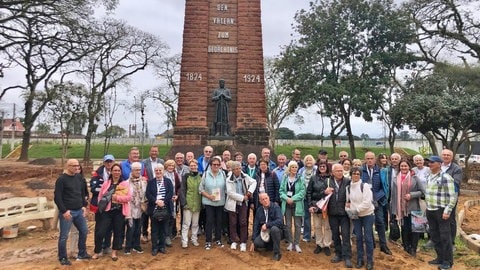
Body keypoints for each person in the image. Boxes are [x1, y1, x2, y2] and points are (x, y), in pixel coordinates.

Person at [54, 159, 90, 266]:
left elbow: (82, 192)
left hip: (79, 211)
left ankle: (82, 253)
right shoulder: (61, 179)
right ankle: (63, 257)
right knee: (64, 236)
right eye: (73, 166)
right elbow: (57, 198)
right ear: (67, 166)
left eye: (77, 165)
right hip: (68, 213)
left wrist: (84, 206)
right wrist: (64, 211)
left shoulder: (79, 177)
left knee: (84, 231)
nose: (76, 167)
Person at [92, 163, 131, 261]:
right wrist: (101, 207)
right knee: (100, 232)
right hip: (106, 211)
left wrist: (117, 198)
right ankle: (97, 251)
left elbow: (129, 197)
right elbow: (100, 196)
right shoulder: (106, 183)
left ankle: (114, 252)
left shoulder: (125, 184)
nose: (116, 172)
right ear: (111, 172)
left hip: (119, 211)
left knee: (118, 232)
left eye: (118, 170)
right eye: (115, 170)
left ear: (121, 172)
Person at [425, 155, 458, 270]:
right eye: (429, 163)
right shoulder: (429, 176)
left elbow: (453, 196)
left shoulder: (446, 177)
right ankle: (440, 257)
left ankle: (447, 262)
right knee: (435, 236)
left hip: (441, 211)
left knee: (445, 236)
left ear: (439, 164)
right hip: (430, 210)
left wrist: (447, 210)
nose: (430, 164)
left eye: (432, 162)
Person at [390, 159, 424, 257]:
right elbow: (393, 195)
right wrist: (393, 209)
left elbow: (422, 192)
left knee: (415, 229)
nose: (403, 168)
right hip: (401, 209)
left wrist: (411, 195)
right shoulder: (395, 179)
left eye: (405, 166)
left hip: (414, 207)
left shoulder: (415, 178)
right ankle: (406, 246)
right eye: (402, 166)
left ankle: (413, 248)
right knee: (405, 228)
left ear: (409, 167)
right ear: (399, 167)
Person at [361, 151, 392, 255]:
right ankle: (372, 242)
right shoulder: (361, 171)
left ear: (375, 159)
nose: (370, 160)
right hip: (365, 202)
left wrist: (377, 198)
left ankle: (384, 245)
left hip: (377, 201)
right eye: (368, 158)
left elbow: (385, 187)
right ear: (365, 159)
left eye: (371, 158)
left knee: (380, 222)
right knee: (368, 223)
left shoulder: (381, 171)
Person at [324, 164, 352, 268]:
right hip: (332, 213)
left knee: (345, 235)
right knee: (335, 235)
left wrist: (350, 201)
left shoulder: (348, 181)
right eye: (338, 171)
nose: (340, 172)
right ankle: (338, 254)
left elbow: (352, 193)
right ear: (333, 172)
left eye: (341, 170)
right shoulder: (327, 182)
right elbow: (318, 194)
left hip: (344, 213)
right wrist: (324, 192)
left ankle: (347, 256)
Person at [346, 167, 374, 270]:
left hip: (367, 215)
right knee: (358, 237)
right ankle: (360, 259)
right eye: (354, 173)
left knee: (368, 238)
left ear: (360, 175)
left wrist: (356, 209)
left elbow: (367, 202)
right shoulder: (348, 188)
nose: (356, 175)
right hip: (356, 216)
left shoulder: (365, 186)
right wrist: (348, 210)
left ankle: (370, 260)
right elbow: (348, 202)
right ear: (351, 175)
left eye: (358, 174)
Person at [225, 161, 257, 252]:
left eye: (239, 168)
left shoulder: (245, 176)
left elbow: (254, 182)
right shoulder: (228, 179)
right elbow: (230, 193)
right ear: (232, 170)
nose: (238, 170)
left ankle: (243, 242)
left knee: (243, 222)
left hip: (243, 204)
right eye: (236, 169)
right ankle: (234, 241)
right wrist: (243, 197)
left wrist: (250, 192)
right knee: (233, 223)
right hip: (233, 203)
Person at [199, 156, 227, 250]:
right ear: (210, 165)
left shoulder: (223, 174)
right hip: (208, 202)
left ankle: (218, 239)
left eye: (218, 164)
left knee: (219, 221)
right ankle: (208, 241)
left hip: (220, 202)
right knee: (209, 221)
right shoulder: (206, 174)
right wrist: (209, 196)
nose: (216, 166)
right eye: (214, 164)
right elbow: (201, 189)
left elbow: (227, 188)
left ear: (220, 165)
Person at [146, 163, 174, 256]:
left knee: (163, 229)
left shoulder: (168, 181)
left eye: (160, 170)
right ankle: (154, 247)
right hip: (154, 208)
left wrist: (163, 202)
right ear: (154, 171)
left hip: (165, 208)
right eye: (156, 170)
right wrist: (156, 201)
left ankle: (162, 246)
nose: (158, 172)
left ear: (163, 171)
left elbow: (170, 193)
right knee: (154, 229)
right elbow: (148, 194)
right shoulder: (151, 182)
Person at [89, 154, 115, 253]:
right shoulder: (97, 174)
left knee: (109, 227)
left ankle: (107, 245)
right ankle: (98, 248)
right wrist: (108, 192)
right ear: (104, 162)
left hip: (112, 205)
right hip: (99, 205)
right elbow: (94, 189)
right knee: (99, 228)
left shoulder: (116, 173)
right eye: (107, 161)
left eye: (111, 161)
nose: (109, 163)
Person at [306, 160, 332, 256]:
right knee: (317, 226)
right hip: (316, 206)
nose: (322, 167)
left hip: (327, 207)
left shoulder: (331, 178)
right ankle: (319, 244)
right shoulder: (313, 178)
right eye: (320, 166)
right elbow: (309, 193)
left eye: (324, 166)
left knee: (327, 227)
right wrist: (310, 205)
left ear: (327, 167)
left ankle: (327, 245)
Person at [279, 161, 305, 253]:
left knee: (298, 225)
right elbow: (281, 191)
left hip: (297, 205)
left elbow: (302, 192)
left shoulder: (301, 178)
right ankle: (290, 242)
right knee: (288, 225)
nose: (294, 169)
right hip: (287, 205)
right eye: (292, 167)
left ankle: (297, 243)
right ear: (289, 168)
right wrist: (286, 198)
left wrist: (293, 199)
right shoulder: (285, 178)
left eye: (295, 167)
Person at [250, 193, 285, 261]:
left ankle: (276, 253)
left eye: (266, 198)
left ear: (269, 198)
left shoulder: (276, 207)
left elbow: (280, 221)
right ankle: (270, 245)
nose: (265, 201)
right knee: (257, 243)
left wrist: (267, 225)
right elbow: (256, 226)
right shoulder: (259, 210)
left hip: (277, 231)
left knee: (274, 229)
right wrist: (253, 241)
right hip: (265, 233)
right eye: (263, 199)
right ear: (260, 201)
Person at [441, 149, 463, 249]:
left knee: (450, 219)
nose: (446, 156)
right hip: (438, 197)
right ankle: (436, 240)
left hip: (450, 197)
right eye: (444, 155)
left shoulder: (456, 169)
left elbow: (456, 183)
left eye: (448, 155)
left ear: (452, 157)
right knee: (438, 218)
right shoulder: (438, 166)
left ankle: (451, 243)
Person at [124, 162, 147, 255]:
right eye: (136, 170)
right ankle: (128, 246)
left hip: (141, 209)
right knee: (130, 228)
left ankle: (136, 245)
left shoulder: (144, 182)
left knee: (138, 228)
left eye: (139, 170)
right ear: (131, 170)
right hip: (130, 209)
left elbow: (146, 195)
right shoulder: (126, 183)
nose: (138, 171)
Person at [179, 159, 203, 248]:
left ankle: (194, 239)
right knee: (186, 223)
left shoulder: (201, 175)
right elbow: (182, 190)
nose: (193, 167)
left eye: (195, 165)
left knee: (195, 223)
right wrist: (184, 203)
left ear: (197, 166)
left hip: (197, 203)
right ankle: (184, 241)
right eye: (191, 165)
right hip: (188, 203)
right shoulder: (186, 176)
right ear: (189, 166)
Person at [380, 153, 401, 238]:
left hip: (400, 195)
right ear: (390, 160)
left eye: (396, 158)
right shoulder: (386, 170)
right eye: (393, 159)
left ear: (399, 160)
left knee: (399, 215)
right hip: (389, 195)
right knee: (391, 215)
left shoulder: (403, 169)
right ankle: (392, 235)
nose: (394, 160)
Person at [163, 159, 182, 246]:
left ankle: (170, 234)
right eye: (169, 166)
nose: (171, 167)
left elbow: (179, 186)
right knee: (165, 217)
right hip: (165, 200)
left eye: (172, 166)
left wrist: (177, 195)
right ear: (166, 167)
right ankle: (165, 235)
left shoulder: (175, 175)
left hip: (174, 199)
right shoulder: (163, 175)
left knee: (172, 217)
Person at [298, 154, 316, 242]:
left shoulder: (317, 170)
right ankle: (306, 236)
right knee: (306, 217)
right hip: (305, 197)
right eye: (307, 160)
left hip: (315, 197)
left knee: (317, 217)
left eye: (310, 160)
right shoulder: (301, 171)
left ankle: (317, 235)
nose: (309, 162)